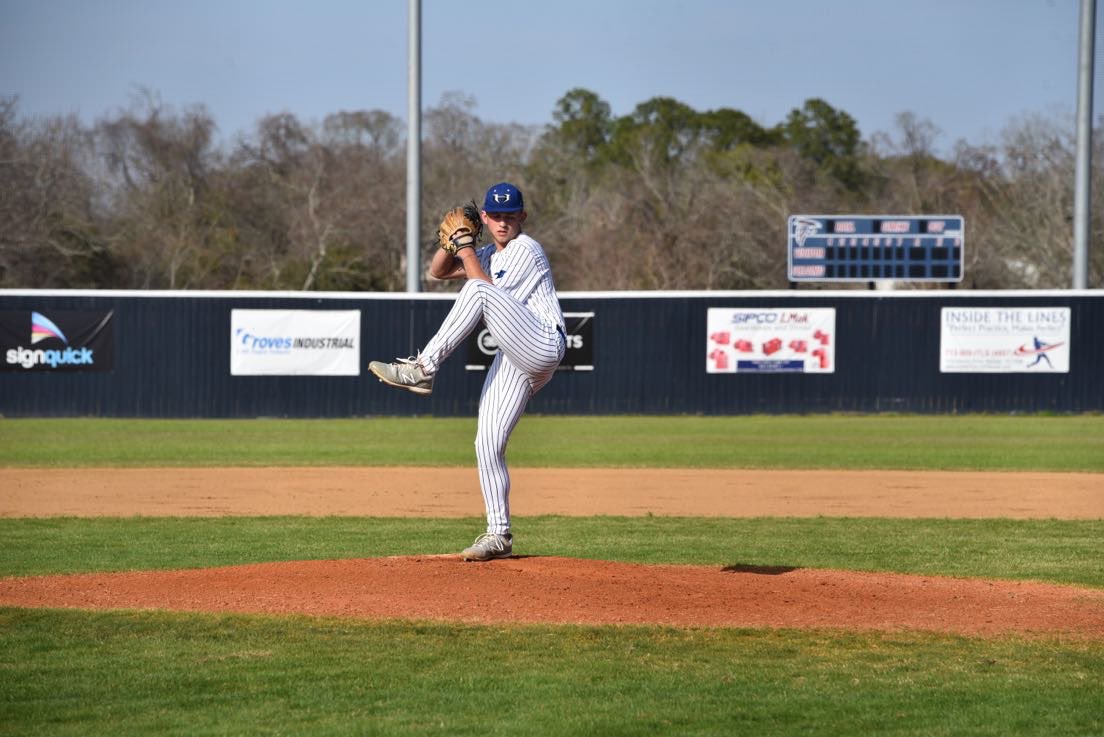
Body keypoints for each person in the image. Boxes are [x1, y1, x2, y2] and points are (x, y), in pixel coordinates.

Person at [369, 182, 566, 562]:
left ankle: (423, 368)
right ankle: (498, 535)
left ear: (522, 217)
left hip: (542, 341)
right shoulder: (488, 253)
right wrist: (453, 244)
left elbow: (483, 287)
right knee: (486, 443)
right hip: (515, 357)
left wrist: (466, 248)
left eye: (511, 216)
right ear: (485, 217)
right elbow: (437, 272)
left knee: (476, 291)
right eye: (496, 216)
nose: (503, 223)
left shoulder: (527, 249)